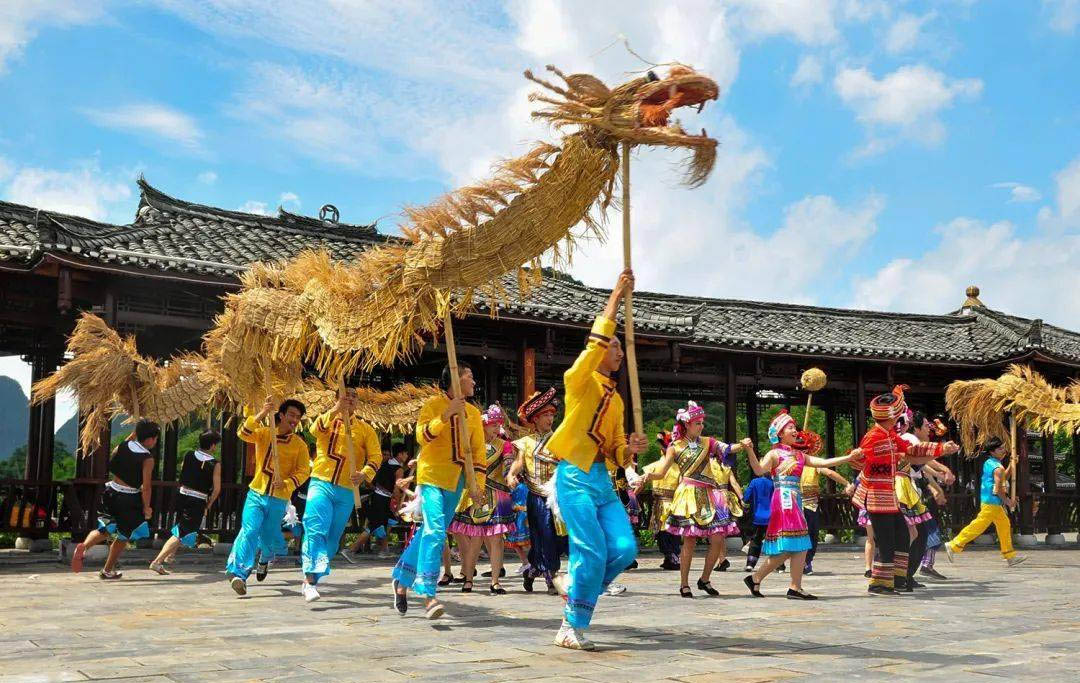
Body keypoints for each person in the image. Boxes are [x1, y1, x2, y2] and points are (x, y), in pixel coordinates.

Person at [546, 269, 647, 650]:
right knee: (590, 550)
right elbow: (593, 345)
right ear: (602, 347)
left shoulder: (617, 399)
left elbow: (616, 448)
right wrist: (616, 297)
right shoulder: (579, 381)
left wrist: (630, 449)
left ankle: (576, 592)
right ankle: (572, 625)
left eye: (621, 347)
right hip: (573, 476)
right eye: (616, 345)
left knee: (623, 549)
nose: (620, 351)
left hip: (602, 481)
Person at [392, 362, 486, 620]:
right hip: (432, 476)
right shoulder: (433, 405)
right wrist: (445, 416)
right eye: (470, 377)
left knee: (428, 532)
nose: (474, 383)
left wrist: (477, 484)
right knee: (435, 532)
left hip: (456, 481)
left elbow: (477, 453)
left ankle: (402, 580)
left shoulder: (474, 414)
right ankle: (428, 593)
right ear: (455, 380)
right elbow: (422, 436)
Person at [850, 385, 958, 595]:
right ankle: (879, 583)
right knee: (887, 540)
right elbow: (861, 461)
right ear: (893, 415)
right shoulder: (874, 437)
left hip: (889, 495)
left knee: (901, 536)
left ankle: (898, 580)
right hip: (877, 497)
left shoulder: (889, 435)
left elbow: (910, 452)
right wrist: (859, 457)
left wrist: (941, 448)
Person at [640, 401, 748, 598]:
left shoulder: (709, 442)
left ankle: (704, 579)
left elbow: (727, 449)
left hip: (709, 494)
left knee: (717, 537)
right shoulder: (675, 447)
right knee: (689, 540)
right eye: (697, 423)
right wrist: (647, 476)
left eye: (702, 423)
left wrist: (743, 445)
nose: (701, 426)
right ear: (687, 425)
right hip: (688, 495)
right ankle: (684, 584)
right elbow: (662, 472)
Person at [742, 411, 855, 600]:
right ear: (780, 433)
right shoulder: (774, 454)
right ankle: (758, 578)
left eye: (795, 427)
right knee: (790, 546)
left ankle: (792, 586)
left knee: (801, 545)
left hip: (795, 499)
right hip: (784, 500)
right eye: (790, 427)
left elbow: (825, 462)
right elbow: (759, 470)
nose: (795, 430)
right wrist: (749, 450)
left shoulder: (800, 455)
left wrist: (849, 458)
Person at [299, 386, 383, 602]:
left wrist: (364, 474)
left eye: (355, 397)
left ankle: (313, 579)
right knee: (315, 528)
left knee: (333, 539)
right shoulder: (326, 420)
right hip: (321, 481)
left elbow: (376, 456)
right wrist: (336, 409)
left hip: (347, 489)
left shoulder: (365, 429)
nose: (351, 399)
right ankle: (309, 580)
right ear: (337, 398)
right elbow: (314, 431)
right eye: (347, 396)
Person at [226, 397, 311, 596]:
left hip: (279, 498)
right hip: (256, 492)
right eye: (291, 415)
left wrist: (288, 483)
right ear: (281, 415)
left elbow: (304, 471)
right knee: (249, 530)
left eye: (298, 417)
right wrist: (262, 413)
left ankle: (265, 559)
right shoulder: (264, 434)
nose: (294, 419)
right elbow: (243, 433)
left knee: (268, 536)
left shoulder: (299, 444)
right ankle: (240, 573)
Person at [71, 420, 160, 579]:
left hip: (110, 491)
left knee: (105, 529)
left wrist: (134, 434)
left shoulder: (123, 446)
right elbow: (146, 486)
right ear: (150, 439)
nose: (155, 441)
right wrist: (147, 507)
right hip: (129, 498)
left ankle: (84, 547)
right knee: (124, 535)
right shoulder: (148, 458)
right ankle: (106, 570)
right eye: (155, 438)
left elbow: (115, 453)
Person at [449, 404, 517, 594]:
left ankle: (495, 581)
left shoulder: (505, 445)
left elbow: (508, 462)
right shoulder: (471, 445)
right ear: (484, 425)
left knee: (496, 538)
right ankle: (468, 579)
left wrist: (510, 474)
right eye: (493, 425)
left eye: (499, 425)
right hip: (475, 495)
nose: (497, 429)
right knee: (475, 539)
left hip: (497, 493)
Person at [508, 387, 566, 595]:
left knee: (561, 538)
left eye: (552, 414)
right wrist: (511, 475)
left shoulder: (560, 440)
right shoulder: (525, 443)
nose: (550, 418)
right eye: (546, 415)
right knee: (545, 535)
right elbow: (518, 463)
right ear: (535, 419)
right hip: (537, 497)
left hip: (558, 497)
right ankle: (552, 576)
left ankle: (533, 568)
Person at [945, 436, 1027, 567]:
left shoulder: (990, 463)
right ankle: (954, 544)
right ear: (993, 451)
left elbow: (1003, 477)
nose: (1003, 450)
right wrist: (1007, 501)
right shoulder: (997, 467)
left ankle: (1009, 555)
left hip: (990, 501)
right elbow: (999, 487)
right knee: (978, 526)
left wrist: (1012, 465)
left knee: (1004, 524)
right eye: (1000, 448)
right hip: (992, 502)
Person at [149, 430, 222, 574]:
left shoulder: (188, 455)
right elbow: (216, 489)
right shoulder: (215, 464)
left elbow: (184, 472)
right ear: (213, 446)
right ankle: (157, 562)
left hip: (181, 494)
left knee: (181, 525)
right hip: (197, 499)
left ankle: (171, 555)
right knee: (183, 531)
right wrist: (209, 504)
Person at [794, 430, 850, 576]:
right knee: (808, 534)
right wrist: (847, 483)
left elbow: (830, 472)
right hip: (798, 503)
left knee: (806, 534)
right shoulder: (793, 461)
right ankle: (802, 562)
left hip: (806, 503)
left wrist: (846, 482)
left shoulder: (811, 462)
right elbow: (830, 473)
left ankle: (802, 562)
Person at [636, 431, 682, 571]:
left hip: (660, 504)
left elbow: (641, 483)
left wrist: (632, 495)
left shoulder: (655, 466)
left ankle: (671, 556)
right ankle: (672, 556)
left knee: (662, 532)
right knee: (674, 531)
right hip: (675, 502)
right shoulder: (680, 467)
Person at [741, 471, 773, 572]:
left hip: (757, 516)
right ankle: (779, 565)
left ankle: (750, 564)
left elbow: (746, 497)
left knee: (756, 540)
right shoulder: (774, 483)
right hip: (771, 517)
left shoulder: (754, 482)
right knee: (774, 540)